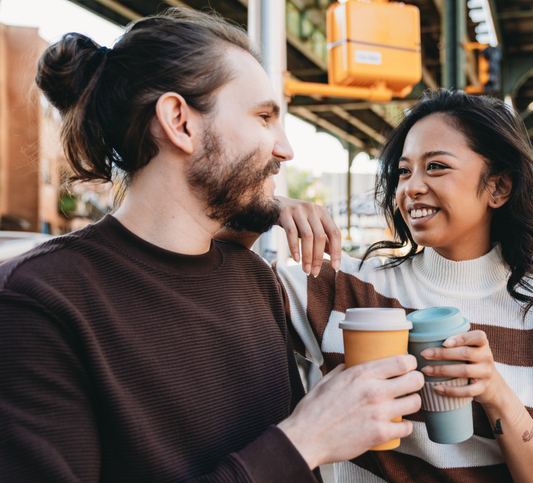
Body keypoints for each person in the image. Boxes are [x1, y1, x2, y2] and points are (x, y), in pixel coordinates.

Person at [0, 9, 424, 482]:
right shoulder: (36, 302)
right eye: (264, 116)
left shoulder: (253, 279)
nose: (285, 148)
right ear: (179, 121)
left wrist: (256, 206)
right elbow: (290, 453)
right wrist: (305, 439)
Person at [272, 90, 533, 482]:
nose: (411, 187)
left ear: (498, 187)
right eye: (403, 171)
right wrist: (272, 208)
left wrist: (497, 396)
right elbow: (203, 255)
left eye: (435, 166)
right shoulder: (346, 287)